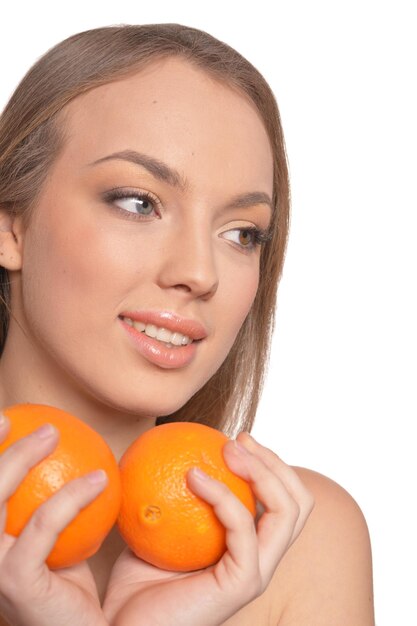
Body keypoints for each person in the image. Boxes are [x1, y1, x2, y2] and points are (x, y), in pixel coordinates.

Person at [0, 23, 374, 625]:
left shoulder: (301, 540)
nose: (201, 273)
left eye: (241, 233)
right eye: (137, 202)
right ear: (10, 225)